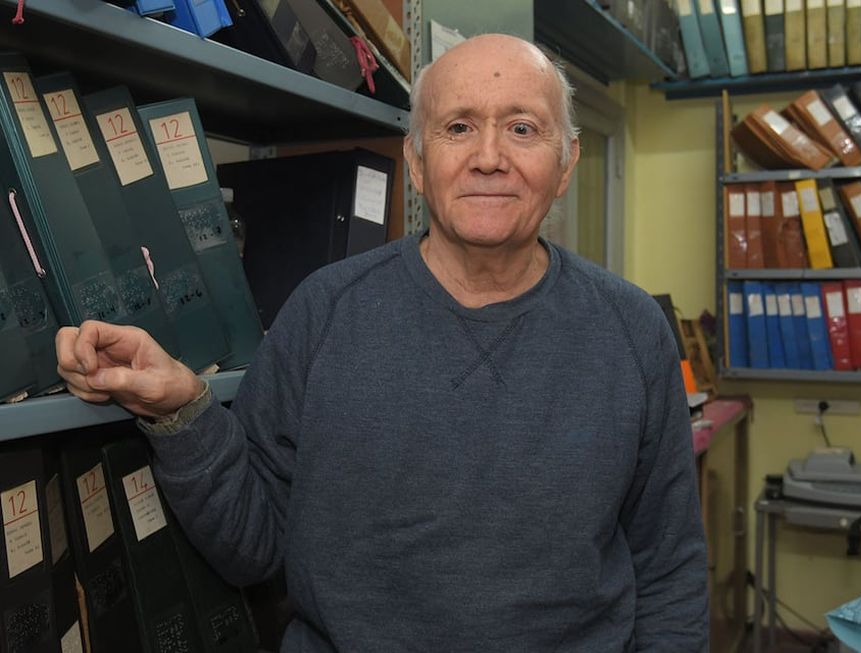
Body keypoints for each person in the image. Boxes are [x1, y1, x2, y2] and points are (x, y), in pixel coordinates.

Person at [56, 34, 708, 652]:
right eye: (458, 127)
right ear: (417, 165)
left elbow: (670, 572)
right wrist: (181, 407)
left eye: (522, 128)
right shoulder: (325, 311)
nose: (489, 156)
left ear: (566, 164)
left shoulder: (630, 330)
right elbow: (251, 545)